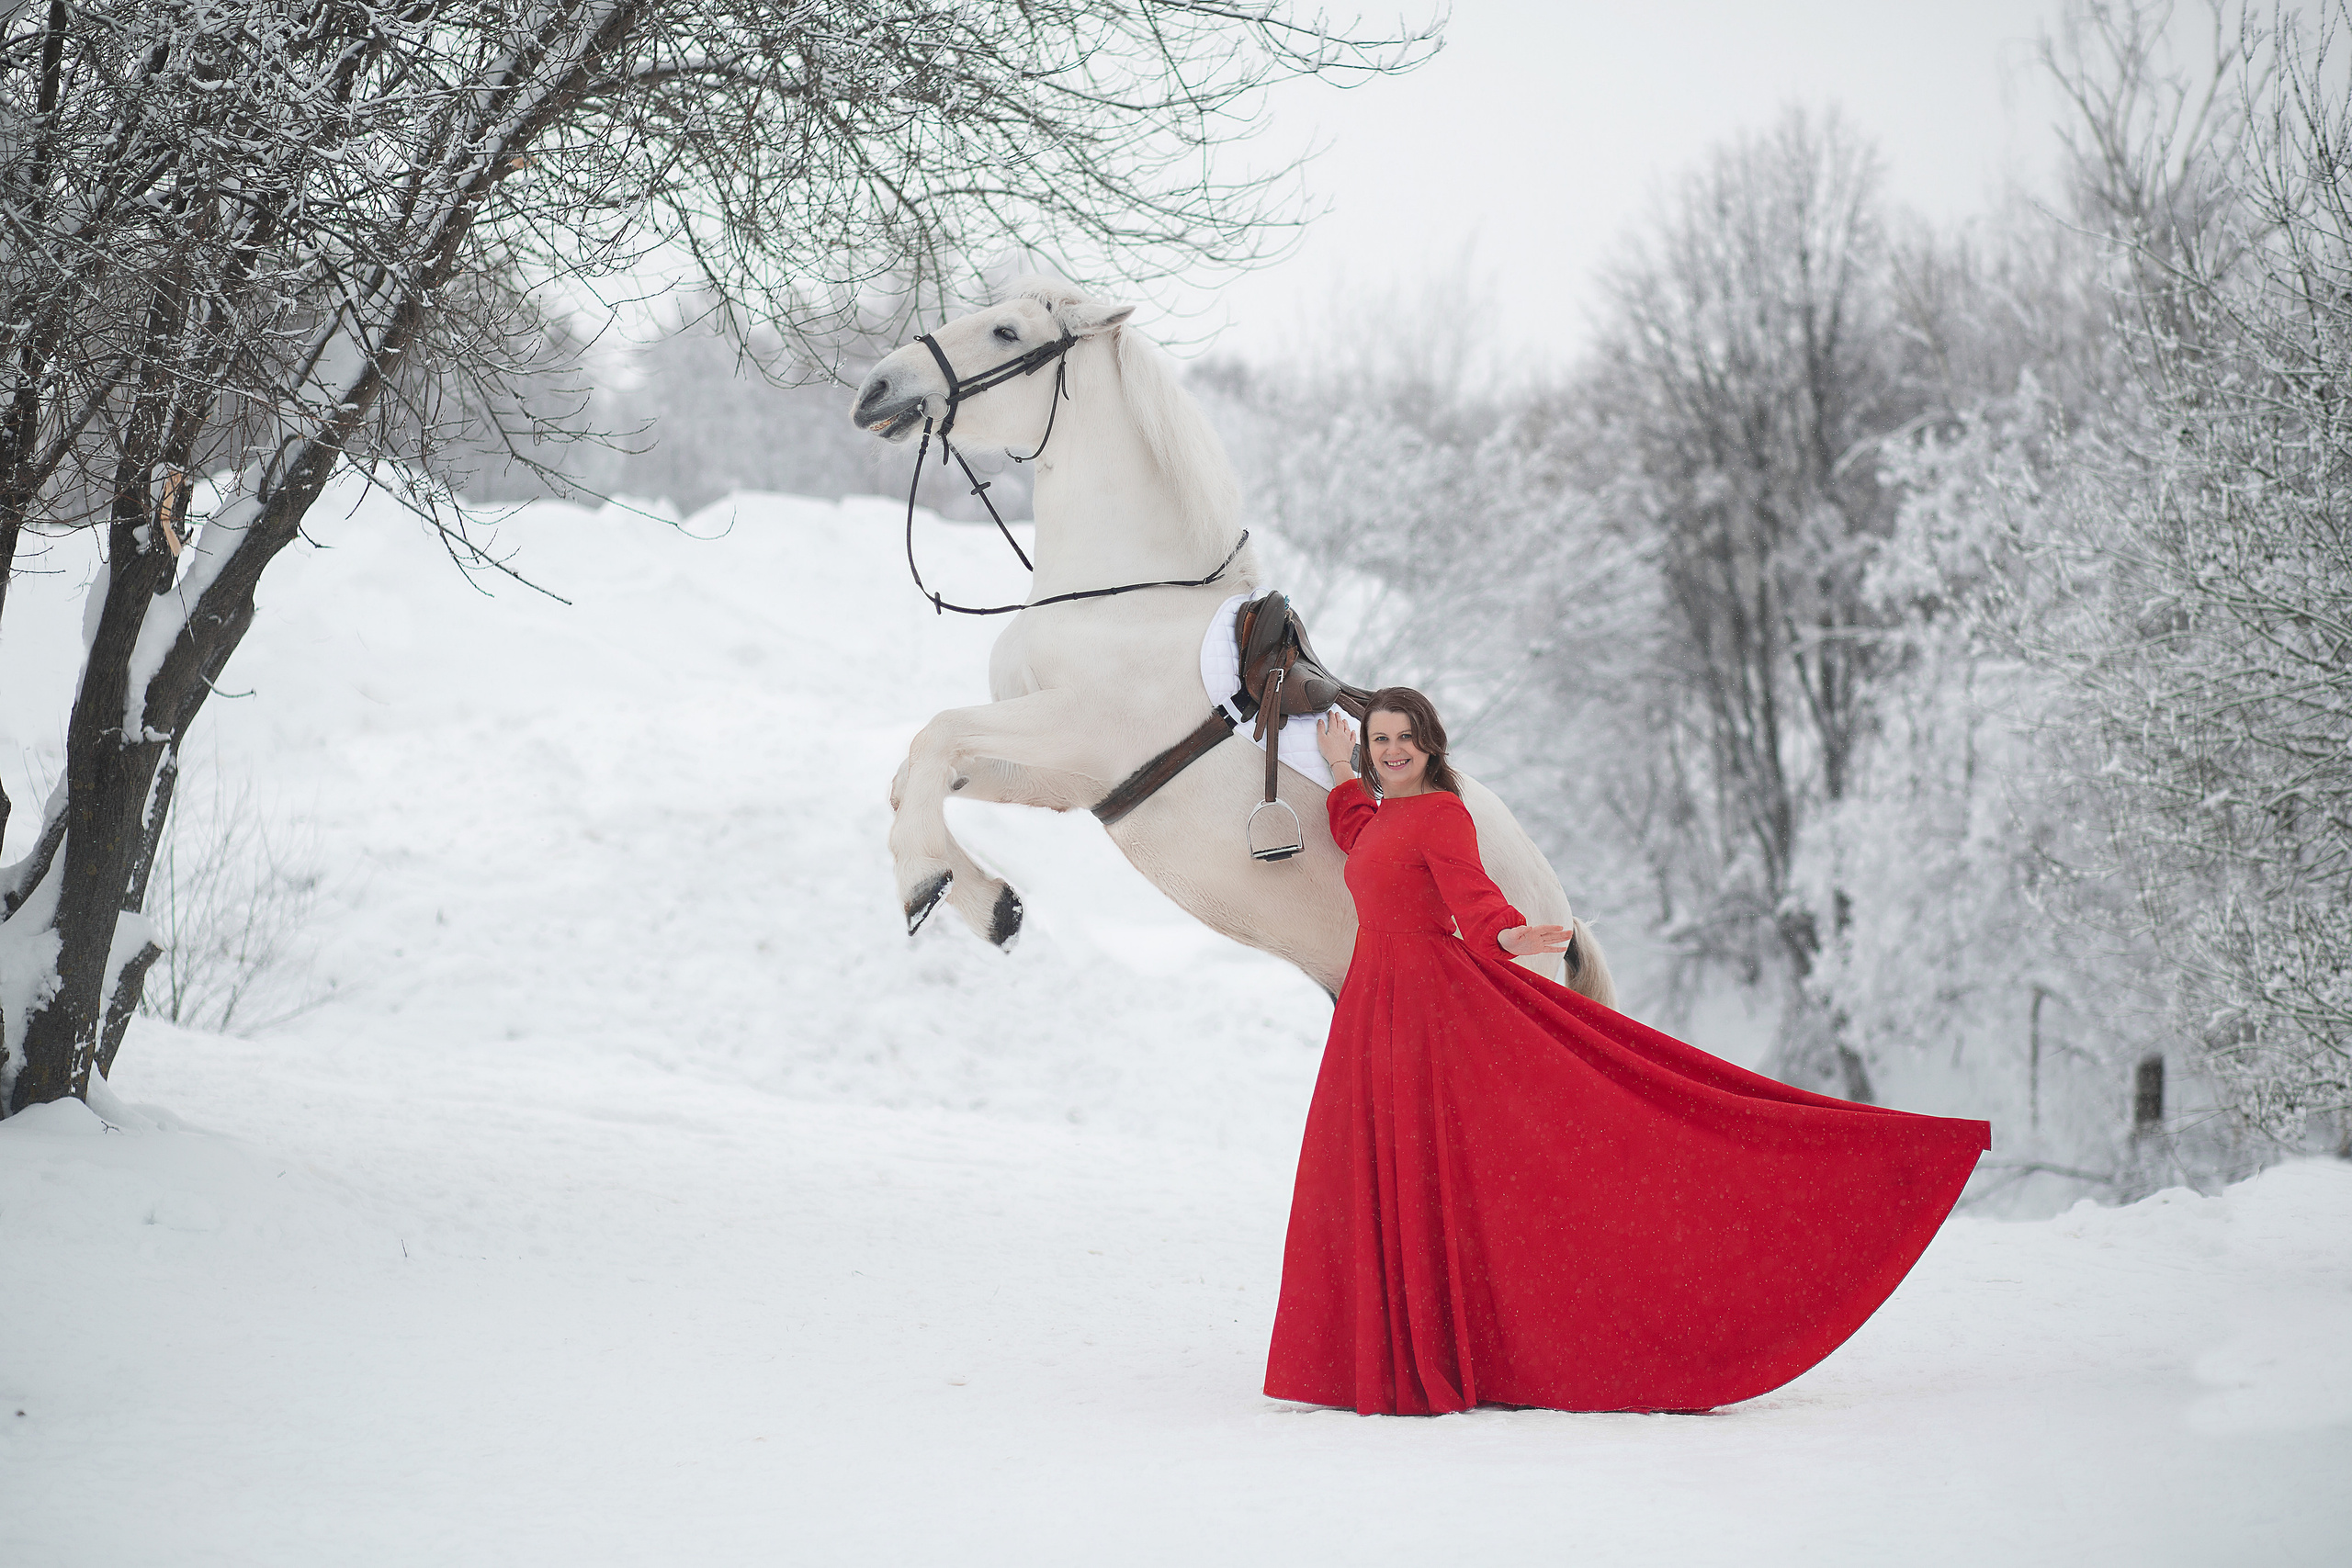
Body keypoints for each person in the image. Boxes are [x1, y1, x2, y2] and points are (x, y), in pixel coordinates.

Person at [1265, 686, 1991, 1416]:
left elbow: (1473, 895)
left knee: (1443, 1160)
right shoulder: (1385, 813)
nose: (1393, 750)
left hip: (1425, 1006)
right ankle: (1399, 1346)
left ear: (1431, 744)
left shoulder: (1443, 814)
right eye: (1382, 739)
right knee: (1376, 1163)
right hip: (1376, 1006)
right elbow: (1362, 839)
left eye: (1406, 738)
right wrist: (1337, 772)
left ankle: (1443, 1347)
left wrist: (1509, 934)